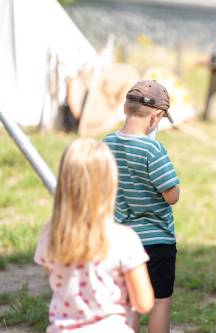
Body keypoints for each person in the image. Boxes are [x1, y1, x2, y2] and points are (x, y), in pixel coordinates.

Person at [34, 139, 154, 332]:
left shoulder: (51, 235)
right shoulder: (124, 239)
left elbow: (58, 281)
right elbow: (144, 303)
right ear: (110, 182)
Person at [103, 80, 181, 333]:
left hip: (121, 239)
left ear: (125, 109)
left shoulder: (107, 144)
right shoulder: (152, 148)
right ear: (156, 116)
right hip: (156, 241)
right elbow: (171, 195)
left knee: (129, 302)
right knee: (159, 301)